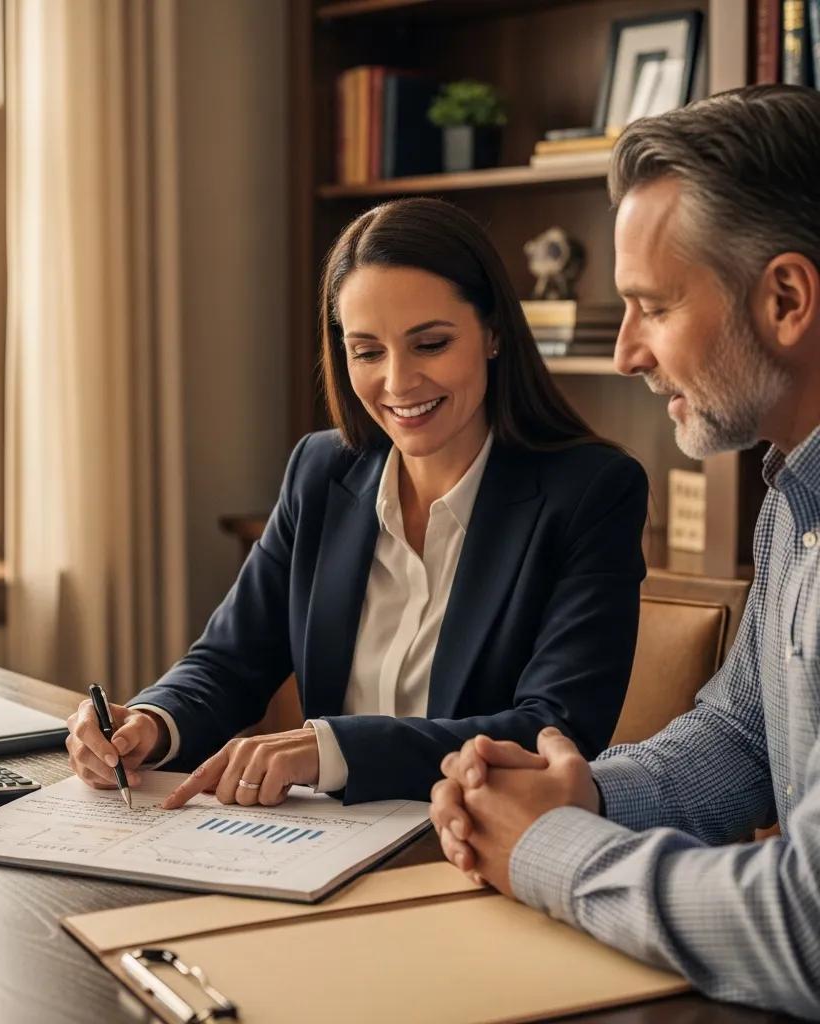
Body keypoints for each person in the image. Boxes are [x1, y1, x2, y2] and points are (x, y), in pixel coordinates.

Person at [431, 85, 820, 1018]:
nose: (626, 354)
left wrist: (549, 851)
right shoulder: (791, 503)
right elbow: (740, 736)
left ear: (788, 298)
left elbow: (808, 929)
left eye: (650, 305)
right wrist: (581, 796)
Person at [66, 197, 648, 809]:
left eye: (430, 344)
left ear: (494, 333)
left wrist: (332, 750)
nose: (398, 382)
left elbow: (552, 730)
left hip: (476, 843)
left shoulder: (591, 491)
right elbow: (229, 661)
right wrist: (151, 725)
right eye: (368, 351)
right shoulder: (321, 471)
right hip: (320, 844)